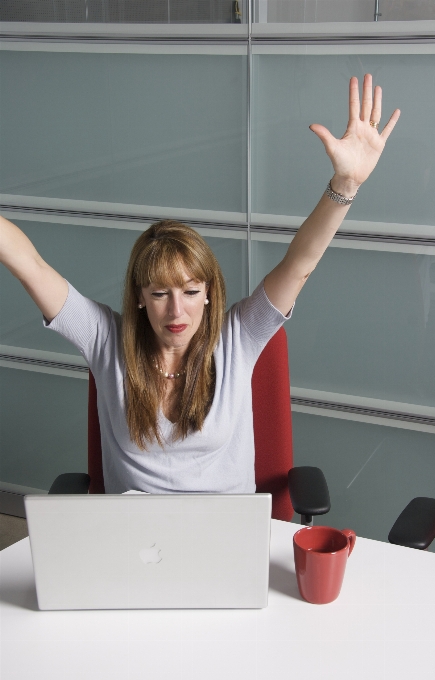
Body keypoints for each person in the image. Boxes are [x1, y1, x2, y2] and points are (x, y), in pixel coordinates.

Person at [0, 75, 400, 494]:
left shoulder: (238, 337)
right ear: (139, 297)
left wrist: (345, 185)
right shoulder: (107, 341)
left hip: (226, 541)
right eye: (159, 294)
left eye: (191, 292)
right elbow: (31, 266)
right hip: (135, 542)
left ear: (209, 293)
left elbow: (299, 265)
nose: (177, 312)